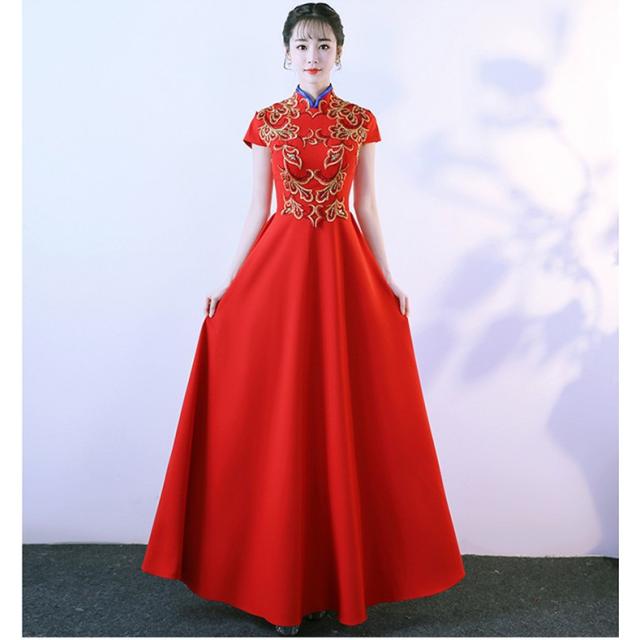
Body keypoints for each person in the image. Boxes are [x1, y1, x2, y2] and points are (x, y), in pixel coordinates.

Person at [141, 2, 465, 636]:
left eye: (323, 45)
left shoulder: (360, 121)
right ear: (285, 54)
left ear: (340, 53)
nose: (312, 55)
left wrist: (387, 275)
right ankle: (275, 581)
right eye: (301, 45)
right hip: (282, 270)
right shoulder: (266, 121)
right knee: (284, 409)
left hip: (342, 270)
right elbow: (256, 208)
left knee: (340, 409)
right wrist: (230, 281)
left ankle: (333, 579)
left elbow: (367, 206)